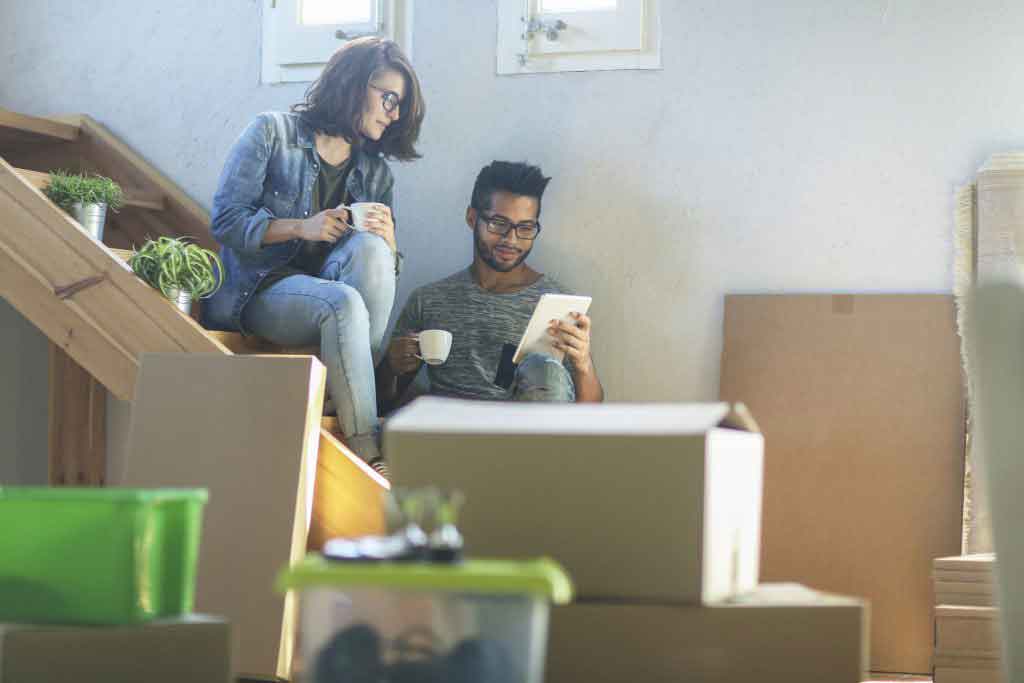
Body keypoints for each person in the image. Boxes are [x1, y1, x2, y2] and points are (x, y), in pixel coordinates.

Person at [203, 37, 425, 469]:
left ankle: (343, 394)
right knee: (342, 304)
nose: (393, 113)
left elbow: (377, 272)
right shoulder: (271, 133)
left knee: (376, 253)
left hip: (331, 299)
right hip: (256, 292)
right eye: (389, 98)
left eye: (399, 105)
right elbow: (225, 220)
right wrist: (301, 227)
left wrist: (391, 247)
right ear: (354, 84)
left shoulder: (375, 173)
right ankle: (366, 447)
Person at [379, 161, 604, 410]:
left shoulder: (556, 305)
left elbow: (589, 414)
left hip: (524, 439)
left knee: (546, 371)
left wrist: (583, 364)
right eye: (499, 224)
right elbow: (381, 402)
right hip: (450, 437)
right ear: (472, 217)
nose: (511, 239)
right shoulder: (428, 300)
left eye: (525, 228)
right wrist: (391, 366)